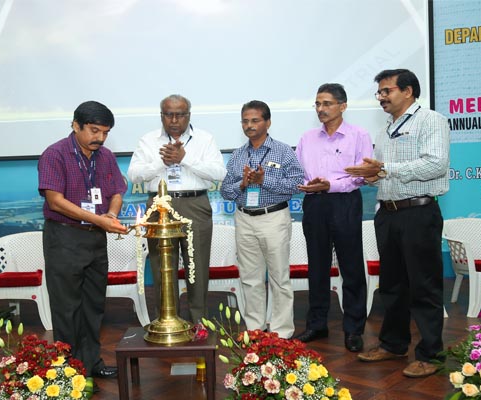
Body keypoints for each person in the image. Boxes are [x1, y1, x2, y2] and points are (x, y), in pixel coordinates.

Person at [345, 69, 450, 378]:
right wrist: (371, 176)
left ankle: (431, 354)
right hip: (388, 214)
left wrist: (386, 168)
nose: (381, 97)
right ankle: (393, 344)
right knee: (392, 285)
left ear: (408, 91)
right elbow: (384, 174)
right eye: (379, 92)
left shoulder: (431, 120)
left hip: (418, 212)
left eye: (386, 90)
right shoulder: (385, 130)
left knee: (424, 285)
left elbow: (436, 164)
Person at [38, 101, 128, 382]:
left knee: (93, 305)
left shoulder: (106, 156)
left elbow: (116, 192)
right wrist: (98, 220)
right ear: (75, 125)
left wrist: (111, 215)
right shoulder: (55, 154)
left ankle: (91, 362)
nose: (100, 138)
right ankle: (68, 371)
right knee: (67, 308)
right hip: (64, 237)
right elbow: (55, 201)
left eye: (105, 132)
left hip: (96, 238)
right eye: (94, 130)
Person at [127, 94, 226, 324]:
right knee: (162, 267)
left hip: (195, 204)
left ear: (188, 115)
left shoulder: (205, 139)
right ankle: (167, 322)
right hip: (160, 205)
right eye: (168, 114)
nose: (174, 120)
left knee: (197, 266)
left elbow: (219, 173)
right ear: (161, 115)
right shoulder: (148, 140)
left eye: (179, 115)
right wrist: (161, 162)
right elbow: (134, 175)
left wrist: (184, 158)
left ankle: (199, 324)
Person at [293, 83, 372, 352]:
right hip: (315, 203)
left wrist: (331, 184)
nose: (320, 109)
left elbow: (362, 175)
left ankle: (353, 329)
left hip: (345, 202)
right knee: (317, 266)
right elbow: (298, 171)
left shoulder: (359, 135)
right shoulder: (307, 138)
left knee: (351, 267)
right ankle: (317, 324)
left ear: (343, 106)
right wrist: (307, 184)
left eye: (326, 103)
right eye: (317, 104)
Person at [220, 100, 304, 339]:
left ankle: (281, 332)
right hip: (244, 218)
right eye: (245, 121)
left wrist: (263, 180)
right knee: (250, 278)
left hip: (273, 217)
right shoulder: (238, 155)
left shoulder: (283, 151)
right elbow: (225, 190)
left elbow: (297, 183)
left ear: (268, 122)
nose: (249, 125)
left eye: (255, 120)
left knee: (279, 277)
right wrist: (243, 183)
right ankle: (255, 329)